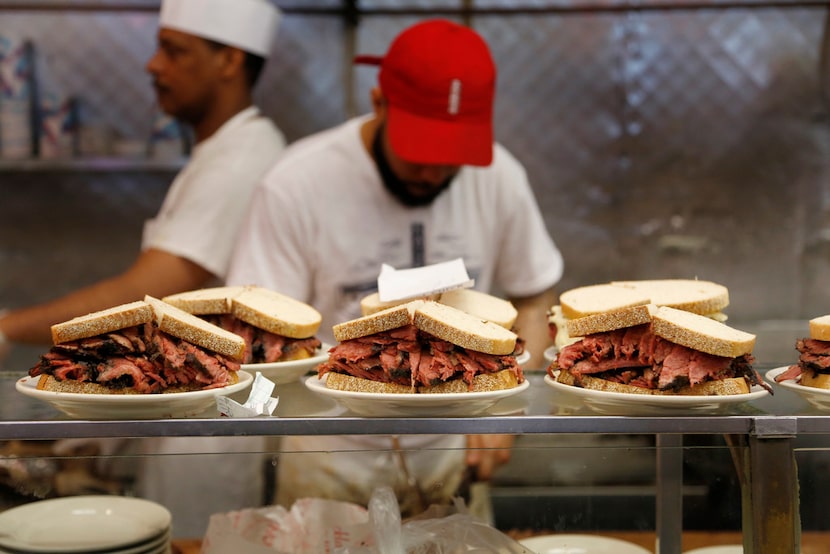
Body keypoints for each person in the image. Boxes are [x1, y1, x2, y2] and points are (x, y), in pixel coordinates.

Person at [227, 19, 564, 515]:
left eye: (452, 158)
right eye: (420, 152)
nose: (433, 173)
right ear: (380, 103)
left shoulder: (500, 178)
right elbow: (254, 334)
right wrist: (256, 417)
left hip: (456, 465)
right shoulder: (297, 184)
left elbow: (534, 299)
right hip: (328, 464)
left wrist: (506, 409)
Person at [0, 0, 285, 538]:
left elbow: (148, 292)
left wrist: (9, 326)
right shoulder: (222, 152)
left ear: (229, 61)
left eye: (174, 50)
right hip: (189, 410)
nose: (153, 65)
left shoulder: (241, 160)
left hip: (213, 430)